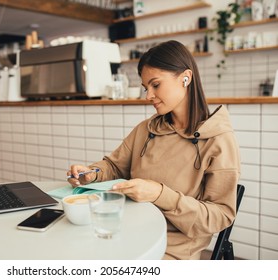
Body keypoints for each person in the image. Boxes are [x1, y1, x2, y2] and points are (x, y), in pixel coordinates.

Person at [67, 40, 241, 260]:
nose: (148, 95)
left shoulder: (218, 140)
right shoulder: (146, 129)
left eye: (155, 84)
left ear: (185, 78)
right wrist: (92, 173)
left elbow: (219, 216)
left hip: (171, 249)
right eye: (145, 88)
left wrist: (160, 194)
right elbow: (114, 165)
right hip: (128, 232)